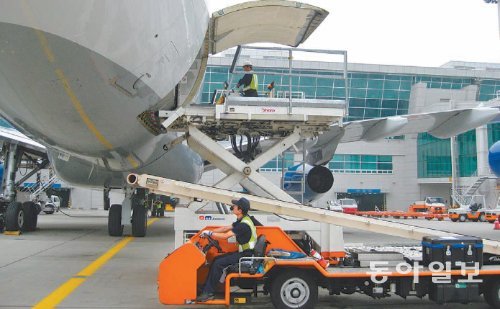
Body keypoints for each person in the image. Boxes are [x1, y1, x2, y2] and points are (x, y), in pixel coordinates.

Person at [196, 197, 257, 302]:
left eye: (235, 206)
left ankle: (209, 292)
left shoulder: (243, 224)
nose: (233, 207)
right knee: (215, 260)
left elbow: (226, 235)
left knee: (218, 263)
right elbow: (225, 229)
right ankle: (207, 287)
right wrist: (208, 232)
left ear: (240, 210)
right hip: (244, 253)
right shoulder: (242, 220)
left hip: (246, 255)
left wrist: (210, 234)